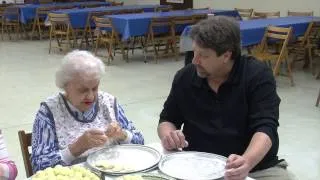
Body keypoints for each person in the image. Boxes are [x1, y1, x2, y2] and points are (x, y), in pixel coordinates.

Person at [157, 16, 292, 180]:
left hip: (254, 168)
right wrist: (168, 135)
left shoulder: (257, 76)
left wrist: (247, 161)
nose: (194, 61)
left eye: (203, 56)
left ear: (226, 55)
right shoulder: (185, 77)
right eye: (194, 52)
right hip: (195, 165)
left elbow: (265, 128)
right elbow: (167, 119)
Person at [31, 50, 144, 173]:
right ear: (65, 86)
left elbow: (141, 145)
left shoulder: (109, 102)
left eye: (95, 88)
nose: (90, 96)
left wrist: (122, 135)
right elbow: (38, 165)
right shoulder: (49, 112)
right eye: (83, 90)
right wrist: (76, 148)